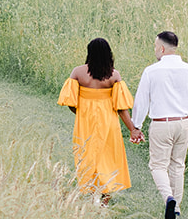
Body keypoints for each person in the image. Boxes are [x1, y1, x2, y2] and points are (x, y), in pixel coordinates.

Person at [128, 30, 188, 219]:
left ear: (162, 48)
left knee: (157, 165)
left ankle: (169, 198)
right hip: (184, 123)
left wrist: (136, 125)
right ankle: (176, 209)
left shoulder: (151, 71)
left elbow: (141, 101)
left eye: (156, 47)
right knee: (178, 165)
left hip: (161, 124)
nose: (155, 50)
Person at [57, 37, 133, 204]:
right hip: (108, 121)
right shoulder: (114, 75)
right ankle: (105, 198)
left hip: (85, 121)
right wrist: (132, 128)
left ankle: (92, 194)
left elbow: (70, 102)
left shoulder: (78, 72)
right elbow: (121, 107)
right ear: (108, 54)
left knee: (87, 155)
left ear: (89, 52)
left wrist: (81, 112)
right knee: (108, 156)